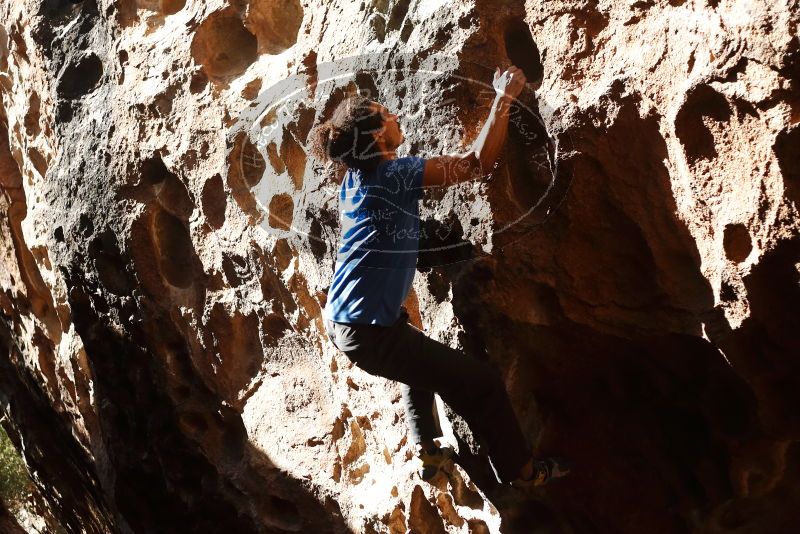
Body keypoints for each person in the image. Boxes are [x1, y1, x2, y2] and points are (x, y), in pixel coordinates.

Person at [309, 65, 569, 487]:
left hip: (346, 318)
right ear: (377, 137)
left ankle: (429, 450)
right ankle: (523, 474)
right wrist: (503, 98)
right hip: (368, 331)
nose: (394, 115)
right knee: (482, 384)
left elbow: (388, 235)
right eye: (385, 114)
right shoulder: (396, 175)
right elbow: (474, 165)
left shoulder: (354, 180)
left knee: (414, 353)